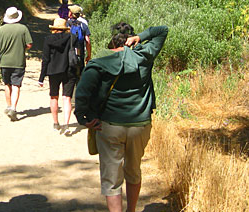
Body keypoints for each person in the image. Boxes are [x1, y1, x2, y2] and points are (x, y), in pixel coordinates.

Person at [74, 22, 168, 212]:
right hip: (140, 125)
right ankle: (131, 210)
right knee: (134, 172)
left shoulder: (100, 64)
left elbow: (82, 93)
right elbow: (162, 30)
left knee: (111, 179)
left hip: (108, 127)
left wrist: (83, 118)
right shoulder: (145, 56)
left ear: (112, 43)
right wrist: (140, 37)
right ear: (131, 41)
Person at [0, 6, 33, 121]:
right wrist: (22, 48)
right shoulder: (23, 29)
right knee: (16, 85)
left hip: (4, 61)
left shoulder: (1, 30)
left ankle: (9, 105)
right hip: (18, 61)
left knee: (7, 84)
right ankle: (14, 108)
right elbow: (29, 44)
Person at [38, 17, 76, 133]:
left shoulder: (48, 39)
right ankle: (66, 124)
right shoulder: (72, 38)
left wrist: (41, 77)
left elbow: (45, 59)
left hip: (53, 71)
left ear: (54, 28)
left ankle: (55, 123)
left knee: (54, 96)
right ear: (65, 28)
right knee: (67, 98)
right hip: (69, 70)